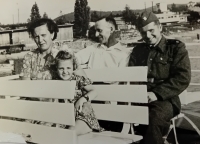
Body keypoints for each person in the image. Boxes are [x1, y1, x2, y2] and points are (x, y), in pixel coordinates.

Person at [129, 11, 191, 144]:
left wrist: (156, 94)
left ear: (160, 27)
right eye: (143, 32)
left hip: (166, 100)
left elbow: (183, 77)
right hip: (141, 98)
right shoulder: (138, 51)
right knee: (119, 114)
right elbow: (132, 75)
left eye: (151, 30)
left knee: (154, 118)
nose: (147, 36)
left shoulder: (175, 48)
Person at [54, 50, 103, 135]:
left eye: (68, 68)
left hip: (83, 118)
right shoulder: (56, 83)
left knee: (68, 134)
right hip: (67, 119)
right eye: (61, 68)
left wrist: (82, 99)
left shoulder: (78, 79)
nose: (65, 72)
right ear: (56, 69)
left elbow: (94, 91)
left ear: (73, 67)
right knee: (56, 133)